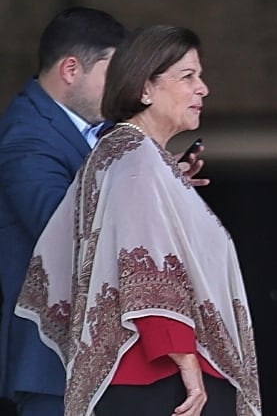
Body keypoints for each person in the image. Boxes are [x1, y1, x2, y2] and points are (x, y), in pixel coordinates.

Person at [14, 25, 261, 416]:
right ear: (145, 88)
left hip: (148, 376)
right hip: (158, 379)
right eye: (188, 76)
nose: (203, 88)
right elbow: (144, 267)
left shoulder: (131, 155)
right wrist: (185, 360)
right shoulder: (135, 159)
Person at [0, 7, 125, 416]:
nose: (123, 89)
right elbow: (65, 228)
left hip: (91, 363)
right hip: (53, 362)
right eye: (113, 73)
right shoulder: (26, 137)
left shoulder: (95, 130)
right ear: (71, 69)